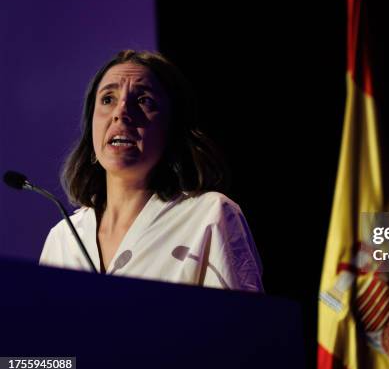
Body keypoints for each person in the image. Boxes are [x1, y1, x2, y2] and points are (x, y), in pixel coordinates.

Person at [39, 49, 263, 292]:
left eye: (143, 100)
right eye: (107, 99)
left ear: (173, 130)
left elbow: (242, 325)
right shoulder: (63, 239)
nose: (121, 112)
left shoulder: (210, 216)